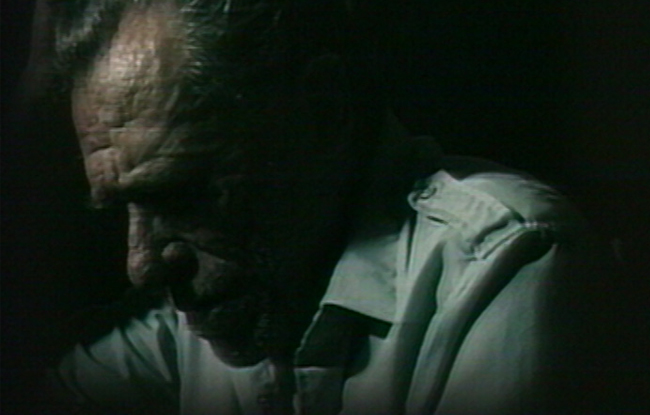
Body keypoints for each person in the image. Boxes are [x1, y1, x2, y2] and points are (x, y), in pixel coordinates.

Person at [25, 0, 614, 414]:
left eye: (183, 195)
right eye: (124, 207)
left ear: (322, 113)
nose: (143, 265)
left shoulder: (507, 264)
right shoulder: (206, 304)